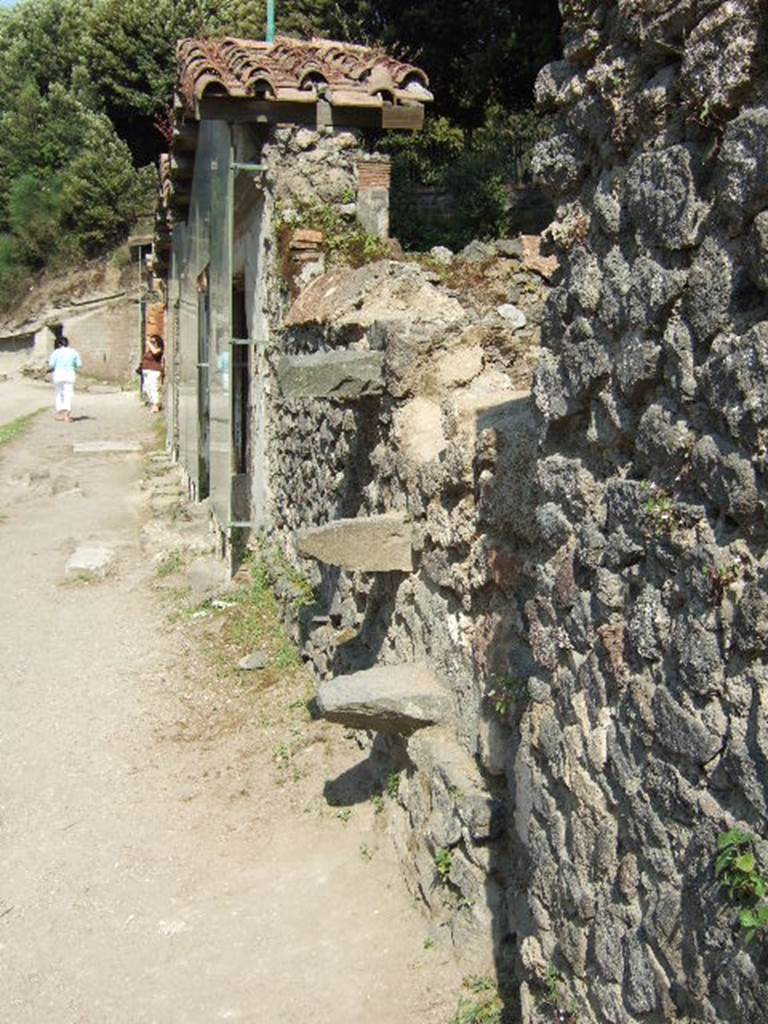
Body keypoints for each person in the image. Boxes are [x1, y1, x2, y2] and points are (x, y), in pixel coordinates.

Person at [48, 336, 82, 423]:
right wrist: (75, 369)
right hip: (69, 375)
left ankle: (60, 414)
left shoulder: (56, 352)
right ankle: (67, 416)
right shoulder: (74, 352)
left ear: (59, 344)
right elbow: (79, 365)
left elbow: (51, 365)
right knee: (68, 394)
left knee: (59, 393)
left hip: (58, 375)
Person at [141, 334, 165, 413]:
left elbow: (155, 352)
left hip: (154, 371)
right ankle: (154, 403)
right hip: (146, 372)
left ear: (158, 342)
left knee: (154, 387)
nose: (151, 343)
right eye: (151, 341)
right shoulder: (149, 351)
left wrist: (149, 343)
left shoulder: (159, 350)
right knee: (147, 388)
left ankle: (156, 405)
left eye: (153, 342)